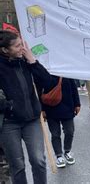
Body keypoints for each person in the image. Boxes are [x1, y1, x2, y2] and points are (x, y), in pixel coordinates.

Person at [0, 30, 53, 184]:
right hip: (9, 123)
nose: (22, 49)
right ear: (5, 50)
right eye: (17, 46)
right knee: (17, 165)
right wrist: (9, 106)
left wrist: (33, 61)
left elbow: (48, 83)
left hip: (32, 120)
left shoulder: (25, 61)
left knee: (38, 160)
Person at [41, 76, 81, 168]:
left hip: (68, 107)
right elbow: (40, 91)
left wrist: (77, 104)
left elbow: (73, 88)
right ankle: (59, 155)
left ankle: (67, 151)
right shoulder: (45, 72)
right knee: (55, 134)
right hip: (50, 109)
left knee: (69, 131)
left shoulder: (66, 71)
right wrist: (42, 109)